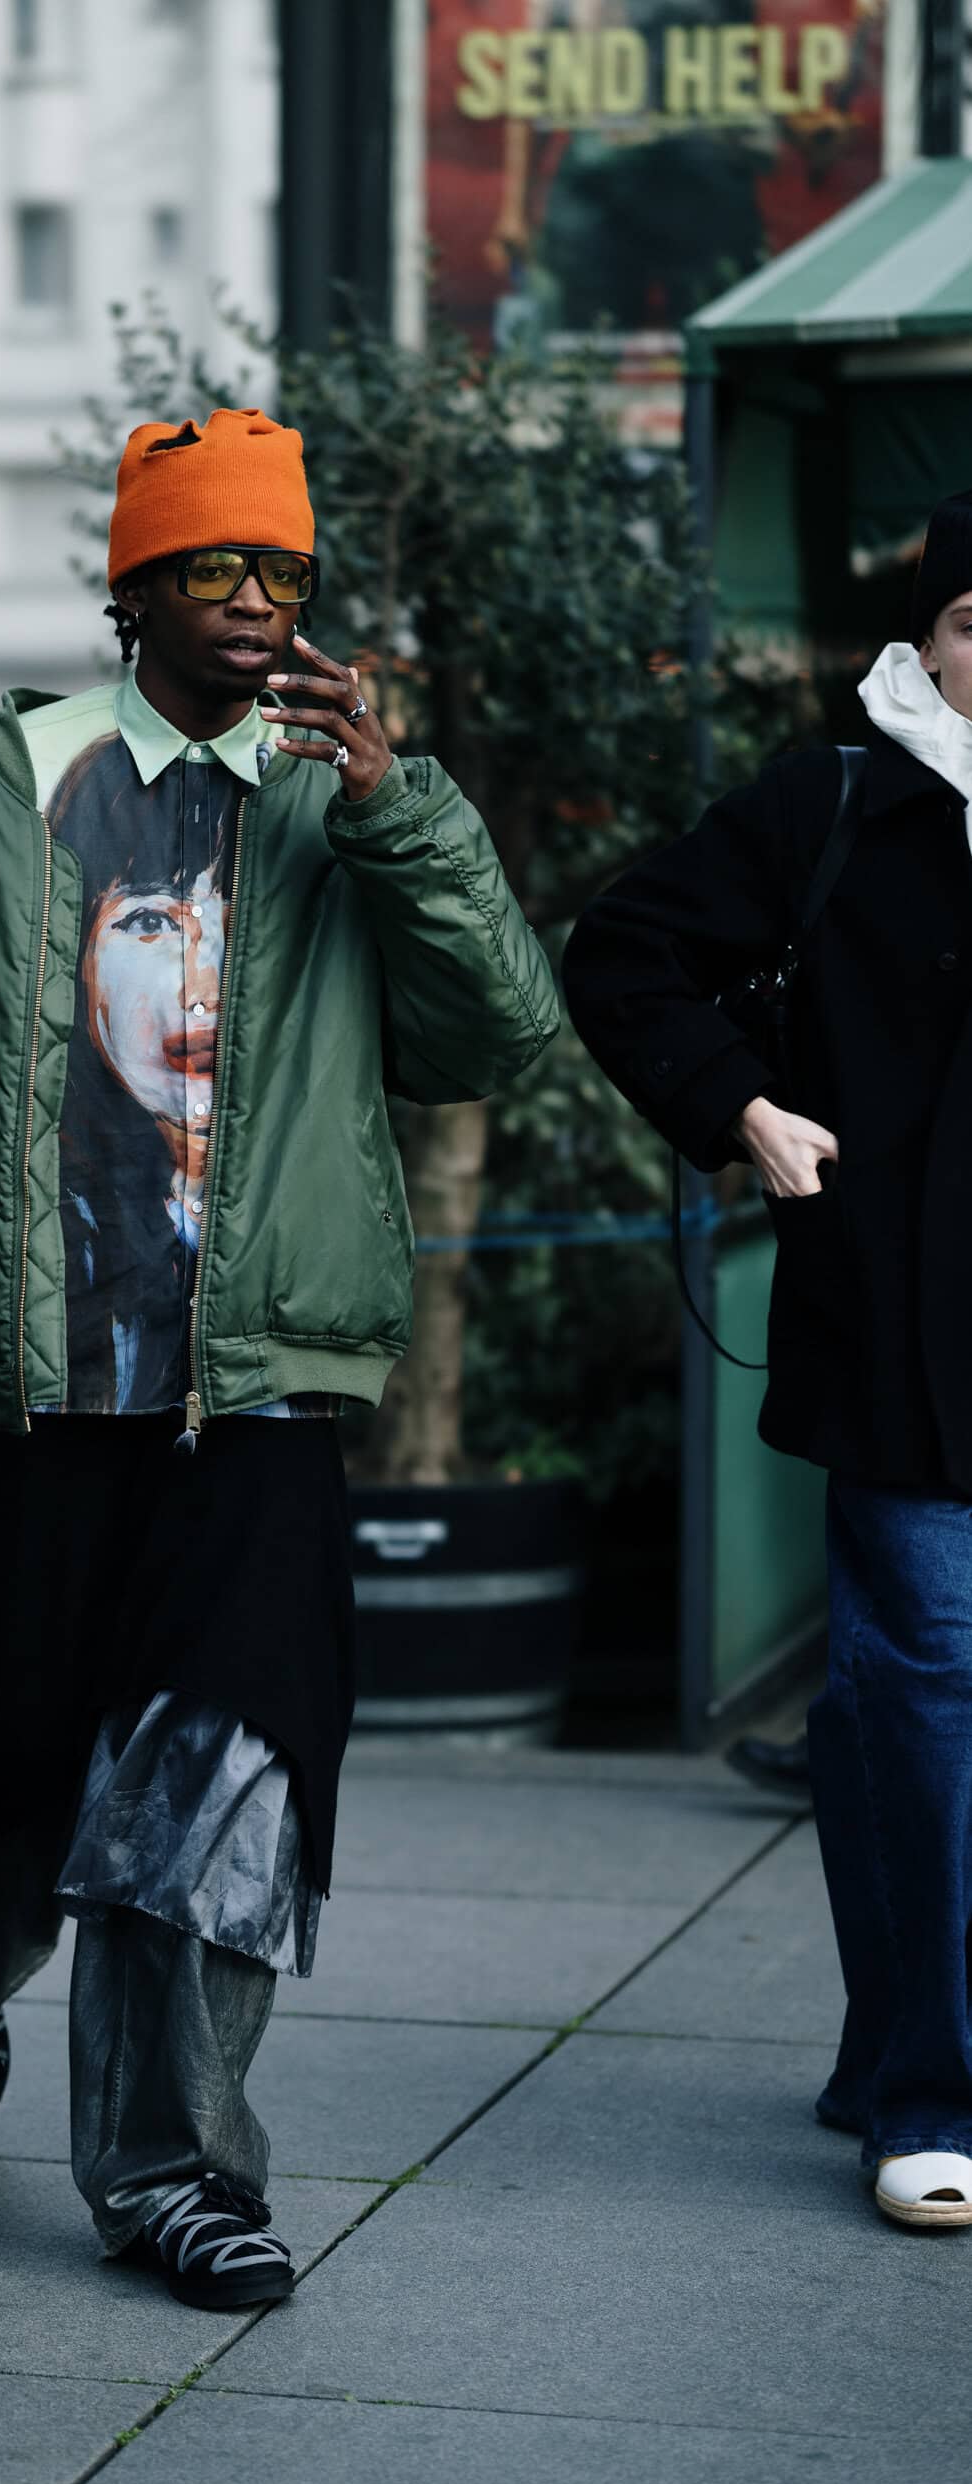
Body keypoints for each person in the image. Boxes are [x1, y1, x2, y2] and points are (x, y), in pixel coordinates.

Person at [0, 406, 559, 2306]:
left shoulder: (343, 802)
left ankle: (176, 2176)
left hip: (258, 1395)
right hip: (33, 1394)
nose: (257, 605)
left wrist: (406, 814)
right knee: (3, 1756)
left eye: (283, 571)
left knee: (216, 1787)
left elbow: (492, 1037)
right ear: (133, 587)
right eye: (216, 568)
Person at [564, 487, 972, 2232]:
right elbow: (623, 953)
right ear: (931, 636)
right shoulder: (833, 802)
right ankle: (929, 2094)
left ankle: (889, 2041)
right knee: (934, 1701)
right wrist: (739, 1108)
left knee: (896, 1712)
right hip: (906, 1337)